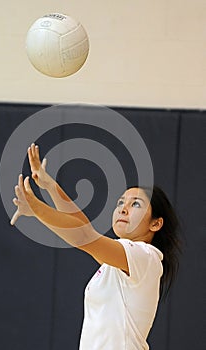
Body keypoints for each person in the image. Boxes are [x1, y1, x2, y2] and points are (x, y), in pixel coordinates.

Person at [11, 143, 181, 350]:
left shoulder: (146, 256)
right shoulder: (120, 259)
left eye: (135, 204)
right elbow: (82, 226)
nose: (123, 209)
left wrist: (37, 208)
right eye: (120, 203)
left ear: (156, 223)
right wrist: (49, 185)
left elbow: (83, 235)